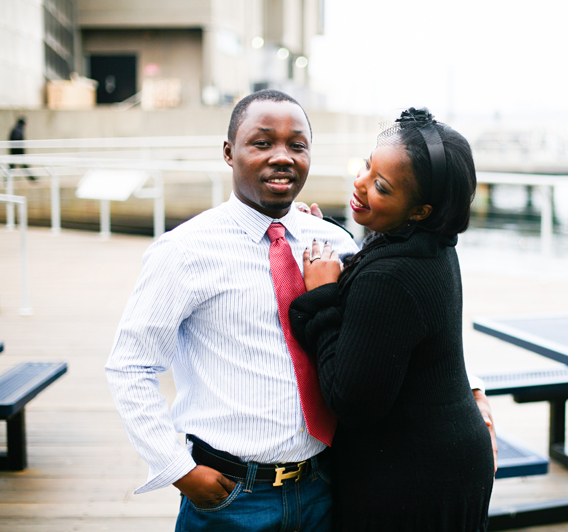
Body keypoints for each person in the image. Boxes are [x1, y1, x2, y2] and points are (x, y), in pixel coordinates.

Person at [106, 90, 495, 531]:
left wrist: (472, 390)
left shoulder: (335, 243)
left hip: (325, 488)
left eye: (297, 145)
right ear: (229, 153)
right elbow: (130, 365)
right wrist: (177, 467)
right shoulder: (183, 251)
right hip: (233, 495)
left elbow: (401, 329)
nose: (282, 157)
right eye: (262, 142)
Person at [289, 107, 495, 531]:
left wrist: (324, 295)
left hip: (413, 482)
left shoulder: (392, 277)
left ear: (420, 210)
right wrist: (322, 235)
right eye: (367, 166)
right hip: (450, 455)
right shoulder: (434, 244)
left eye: (380, 187)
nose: (360, 184)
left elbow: (351, 401)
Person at [8, 116, 33, 181]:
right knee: (21, 165)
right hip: (18, 152)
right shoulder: (18, 130)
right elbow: (18, 141)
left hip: (14, 151)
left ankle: (32, 178)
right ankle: (32, 178)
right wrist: (21, 151)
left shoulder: (15, 129)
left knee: (13, 166)